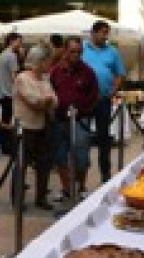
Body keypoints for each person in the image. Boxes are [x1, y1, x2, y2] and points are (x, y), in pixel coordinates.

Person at [50, 36, 98, 200]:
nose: (76, 55)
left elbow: (94, 95)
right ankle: (66, 189)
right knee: (60, 156)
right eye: (72, 51)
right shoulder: (56, 71)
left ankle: (81, 186)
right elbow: (49, 91)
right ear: (65, 51)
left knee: (81, 156)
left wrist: (83, 109)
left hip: (80, 120)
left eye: (78, 52)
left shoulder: (88, 72)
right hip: (60, 119)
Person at [14, 46, 58, 211]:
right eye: (47, 61)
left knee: (43, 164)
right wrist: (45, 101)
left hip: (42, 126)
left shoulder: (45, 78)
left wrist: (45, 101)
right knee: (22, 164)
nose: (49, 64)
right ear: (39, 61)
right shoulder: (22, 78)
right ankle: (18, 199)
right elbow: (33, 100)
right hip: (25, 126)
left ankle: (41, 197)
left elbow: (55, 100)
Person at [82, 20, 125, 183]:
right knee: (82, 138)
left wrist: (113, 90)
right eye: (102, 32)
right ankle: (81, 178)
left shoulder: (112, 51)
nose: (105, 36)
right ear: (93, 33)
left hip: (103, 100)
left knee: (104, 138)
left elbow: (119, 73)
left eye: (107, 33)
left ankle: (105, 175)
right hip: (85, 100)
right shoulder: (82, 49)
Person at [0, 32, 23, 155]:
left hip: (2, 92)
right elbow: (14, 77)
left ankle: (3, 145)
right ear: (12, 41)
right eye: (19, 41)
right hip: (9, 93)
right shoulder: (12, 56)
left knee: (4, 120)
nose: (20, 44)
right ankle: (8, 147)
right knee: (9, 122)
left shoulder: (3, 54)